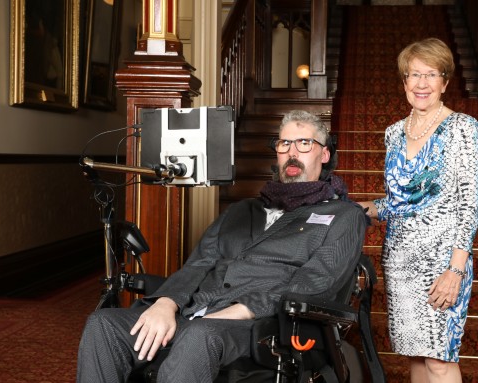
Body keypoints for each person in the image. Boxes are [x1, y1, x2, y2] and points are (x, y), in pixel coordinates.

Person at [76, 110, 367, 383]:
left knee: (200, 335)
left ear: (325, 153)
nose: (292, 152)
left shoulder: (343, 216)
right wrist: (166, 303)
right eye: (284, 143)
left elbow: (316, 283)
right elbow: (199, 264)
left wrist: (239, 311)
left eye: (304, 143)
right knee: (104, 325)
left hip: (262, 326)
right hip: (194, 310)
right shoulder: (243, 210)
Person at [358, 38, 478, 382]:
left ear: (445, 82)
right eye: (414, 74)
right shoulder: (394, 133)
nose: (422, 83)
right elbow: (400, 201)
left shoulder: (461, 128)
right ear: (404, 81)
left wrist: (455, 271)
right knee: (415, 358)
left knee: (439, 361)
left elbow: (468, 203)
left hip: (443, 262)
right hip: (400, 262)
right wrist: (364, 209)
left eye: (431, 74)